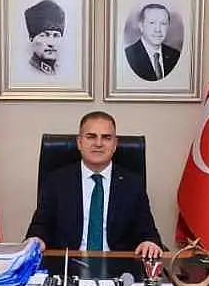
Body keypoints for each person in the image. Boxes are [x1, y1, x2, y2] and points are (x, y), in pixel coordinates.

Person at [25, 111, 163, 259]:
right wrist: (37, 240)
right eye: (91, 137)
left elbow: (148, 232)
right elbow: (40, 227)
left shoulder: (133, 184)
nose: (98, 143)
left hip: (118, 265)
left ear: (115, 144)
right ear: (79, 142)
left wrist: (150, 243)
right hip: (67, 263)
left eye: (106, 138)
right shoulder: (56, 181)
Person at [124, 4, 181, 81]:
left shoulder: (175, 55)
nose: (158, 29)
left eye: (163, 23)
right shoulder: (129, 55)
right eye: (152, 23)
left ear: (168, 26)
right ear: (141, 26)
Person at [25, 0, 65, 75]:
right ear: (31, 38)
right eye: (45, 35)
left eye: (56, 35)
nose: (51, 43)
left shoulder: (60, 72)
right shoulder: (29, 72)